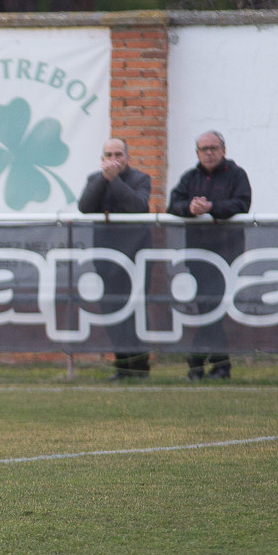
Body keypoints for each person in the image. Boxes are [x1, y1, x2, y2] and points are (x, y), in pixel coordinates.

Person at [167, 131, 252, 380]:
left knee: (215, 306)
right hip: (198, 255)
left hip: (227, 253)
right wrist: (190, 208)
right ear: (197, 153)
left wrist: (213, 208)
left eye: (213, 148)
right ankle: (218, 366)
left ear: (223, 150)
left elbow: (242, 204)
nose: (209, 152)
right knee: (206, 306)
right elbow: (173, 204)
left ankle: (197, 360)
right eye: (204, 149)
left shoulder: (236, 175)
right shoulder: (190, 177)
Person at [77, 137, 153, 380]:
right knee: (111, 312)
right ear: (102, 159)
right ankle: (122, 367)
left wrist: (115, 181)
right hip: (106, 258)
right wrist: (104, 179)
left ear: (127, 158)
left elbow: (138, 207)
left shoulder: (140, 179)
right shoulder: (95, 179)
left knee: (134, 312)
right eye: (108, 155)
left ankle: (140, 368)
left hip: (135, 256)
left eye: (118, 155)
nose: (113, 160)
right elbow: (85, 207)